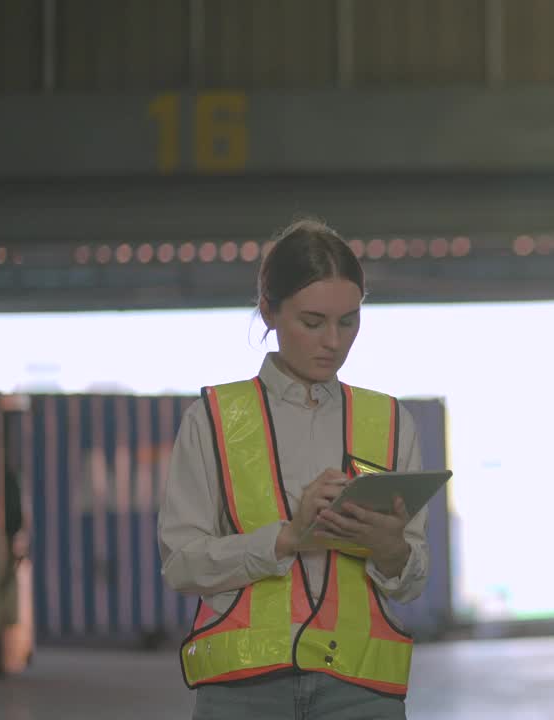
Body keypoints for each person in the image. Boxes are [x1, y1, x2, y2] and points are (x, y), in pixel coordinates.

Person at [158, 219, 429, 719]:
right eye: (312, 322)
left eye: (348, 321)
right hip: (243, 690)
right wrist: (287, 539)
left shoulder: (390, 421)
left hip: (360, 689)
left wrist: (392, 551)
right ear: (269, 310)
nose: (333, 341)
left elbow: (410, 579)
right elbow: (182, 563)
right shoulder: (215, 419)